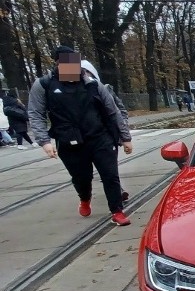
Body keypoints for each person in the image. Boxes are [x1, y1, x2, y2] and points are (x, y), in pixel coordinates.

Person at [28, 46, 134, 226]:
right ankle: (85, 197)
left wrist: (125, 137)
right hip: (69, 140)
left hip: (100, 137)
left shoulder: (91, 83)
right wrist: (44, 141)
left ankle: (117, 211)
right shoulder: (44, 85)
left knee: (110, 174)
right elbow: (35, 113)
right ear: (57, 63)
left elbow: (112, 110)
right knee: (81, 177)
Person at [81, 59, 130, 201]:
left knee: (109, 167)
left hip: (107, 135)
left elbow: (120, 109)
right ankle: (85, 194)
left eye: (86, 72)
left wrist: (122, 128)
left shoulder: (104, 88)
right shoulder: (73, 91)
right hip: (84, 137)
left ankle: (117, 191)